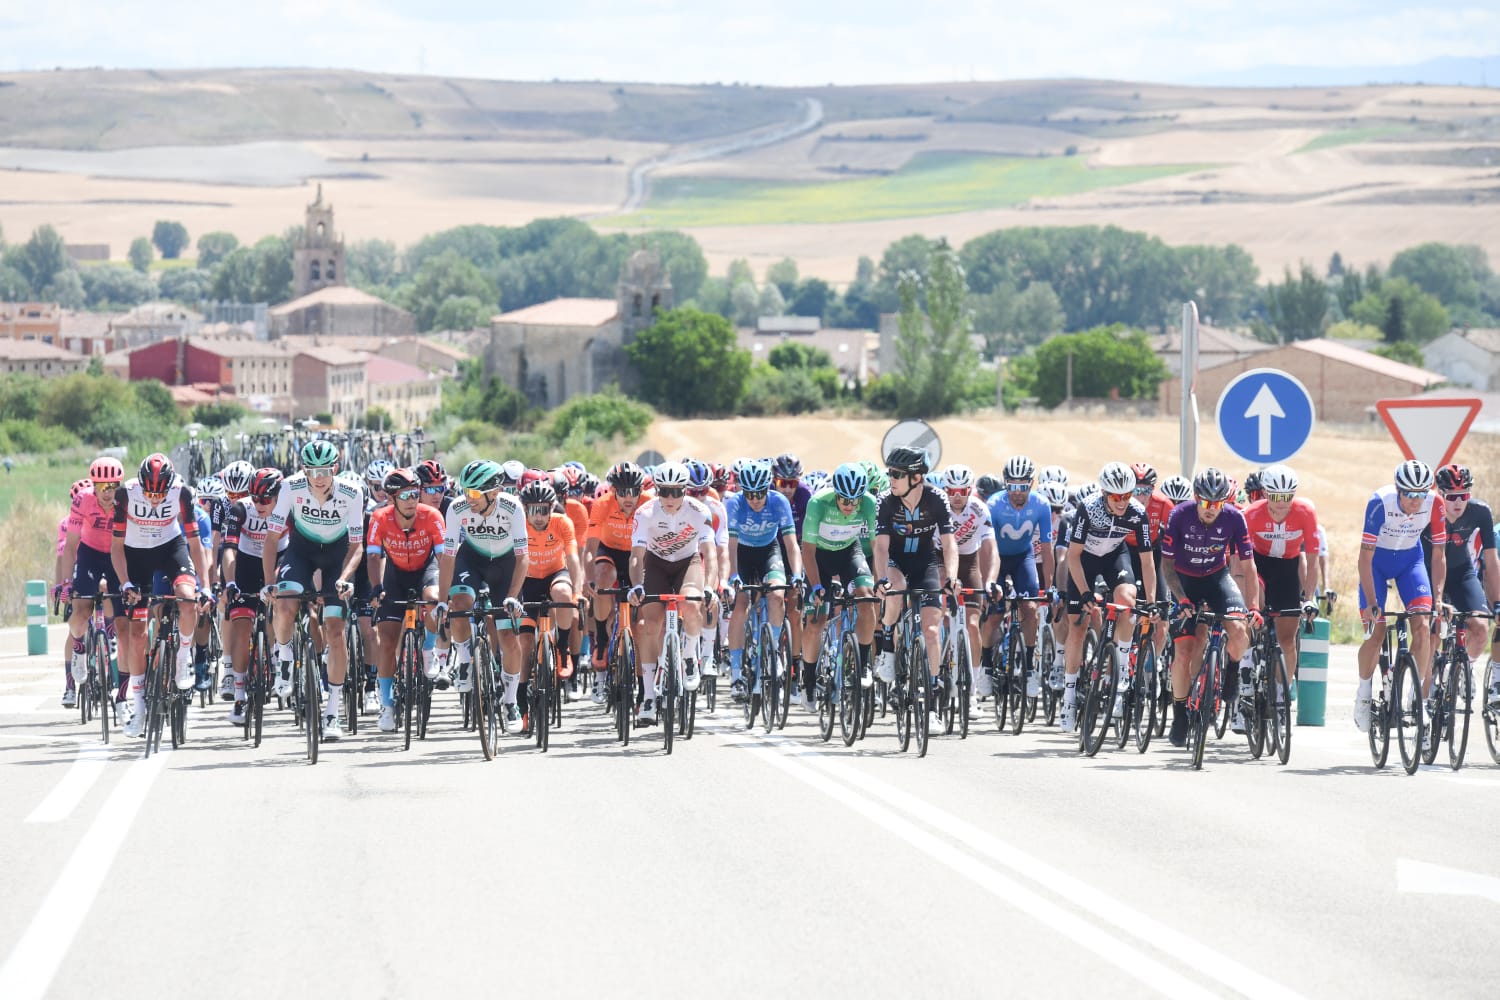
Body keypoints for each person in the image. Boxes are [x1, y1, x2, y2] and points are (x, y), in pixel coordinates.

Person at [261, 440, 364, 742]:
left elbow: (357, 546)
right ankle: (283, 657)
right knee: (284, 606)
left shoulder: (352, 493)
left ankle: (332, 712)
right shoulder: (291, 487)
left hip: (337, 556)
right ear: (304, 470)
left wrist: (346, 577)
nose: (318, 478)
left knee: (335, 630)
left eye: (324, 471)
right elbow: (271, 540)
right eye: (312, 471)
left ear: (335, 468)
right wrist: (269, 582)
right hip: (301, 553)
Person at [1159, 467, 1258, 744]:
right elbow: (1166, 566)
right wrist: (1181, 598)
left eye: (1217, 503)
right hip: (1183, 581)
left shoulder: (1235, 518)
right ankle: (1179, 714)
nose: (1210, 509)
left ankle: (1233, 671)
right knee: (1184, 651)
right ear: (1196, 498)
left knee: (1239, 631)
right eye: (1205, 503)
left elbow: (1249, 566)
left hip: (1217, 579)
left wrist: (1254, 606)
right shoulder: (1179, 515)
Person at [110, 454, 205, 738]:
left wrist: (207, 586)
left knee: (187, 598)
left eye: (159, 493)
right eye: (149, 492)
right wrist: (126, 583)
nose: (153, 499)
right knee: (137, 632)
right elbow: (116, 547)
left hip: (169, 547)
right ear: (140, 485)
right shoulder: (125, 494)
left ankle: (183, 656)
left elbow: (195, 542)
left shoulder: (181, 492)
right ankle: (138, 709)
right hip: (135, 553)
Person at [1060, 463, 1155, 735]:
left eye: (1128, 495)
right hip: (1085, 561)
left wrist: (1150, 601)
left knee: (1127, 600)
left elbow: (1147, 563)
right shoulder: (1088, 508)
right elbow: (1073, 557)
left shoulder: (1137, 512)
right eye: (1116, 497)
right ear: (1104, 493)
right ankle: (1068, 697)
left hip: (1115, 555)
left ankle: (1122, 672)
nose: (1123, 501)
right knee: (1077, 627)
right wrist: (1085, 592)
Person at [1356, 460, 1445, 741]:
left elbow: (1438, 555)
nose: (1416, 501)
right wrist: (1372, 602)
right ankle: (1364, 693)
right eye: (1410, 494)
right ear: (1398, 490)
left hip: (1410, 561)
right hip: (1377, 564)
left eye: (1422, 494)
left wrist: (1439, 599)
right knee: (1377, 631)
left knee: (1422, 624)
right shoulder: (1379, 502)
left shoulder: (1436, 503)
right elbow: (1364, 558)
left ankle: (1415, 697)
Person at [438, 460, 528, 732]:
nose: (469, 498)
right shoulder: (457, 508)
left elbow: (524, 558)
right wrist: (442, 601)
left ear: (494, 492)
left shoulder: (513, 508)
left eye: (475, 493)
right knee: (460, 604)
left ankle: (511, 701)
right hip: (472, 559)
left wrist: (512, 597)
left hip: (506, 563)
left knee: (508, 636)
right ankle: (465, 660)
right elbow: (448, 557)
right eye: (466, 491)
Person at [872, 446, 958, 727]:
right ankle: (887, 644)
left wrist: (953, 577)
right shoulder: (885, 501)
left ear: (916, 478)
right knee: (895, 588)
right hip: (895, 562)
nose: (891, 478)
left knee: (932, 631)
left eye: (897, 474)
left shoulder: (936, 499)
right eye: (890, 473)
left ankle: (932, 704)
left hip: (925, 564)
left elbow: (948, 543)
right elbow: (881, 548)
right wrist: (881, 579)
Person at [626, 462, 713, 724]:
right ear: (657, 490)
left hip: (688, 563)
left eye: (677, 492)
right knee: (649, 624)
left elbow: (711, 553)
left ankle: (688, 656)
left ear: (686, 491)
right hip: (656, 565)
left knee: (691, 605)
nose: (671, 498)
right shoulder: (645, 513)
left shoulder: (700, 511)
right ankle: (649, 695)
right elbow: (636, 556)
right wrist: (637, 585)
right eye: (665, 491)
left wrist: (710, 585)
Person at [367, 467, 449, 738]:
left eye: (416, 493)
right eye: (406, 495)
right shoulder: (379, 518)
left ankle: (428, 649)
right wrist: (377, 588)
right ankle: (388, 706)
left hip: (427, 569)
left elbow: (443, 557)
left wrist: (444, 593)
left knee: (433, 600)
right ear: (392, 498)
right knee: (387, 641)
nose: (413, 499)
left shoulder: (432, 516)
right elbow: (373, 558)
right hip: (396, 574)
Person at [1422, 463, 1500, 706]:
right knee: (1432, 633)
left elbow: (1491, 561)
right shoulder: (1426, 511)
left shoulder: (1480, 512)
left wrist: (1497, 603)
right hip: (1427, 572)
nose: (1458, 502)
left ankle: (1464, 669)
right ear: (1440, 494)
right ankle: (1423, 685)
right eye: (1452, 496)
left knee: (1480, 627)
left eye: (1464, 495)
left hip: (1461, 572)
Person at [800, 462, 879, 692]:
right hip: (820, 556)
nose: (849, 505)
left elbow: (876, 546)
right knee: (817, 619)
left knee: (866, 598)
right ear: (836, 493)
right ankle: (809, 678)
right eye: (844, 499)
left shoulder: (869, 504)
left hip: (849, 551)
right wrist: (816, 587)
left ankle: (863, 664)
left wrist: (879, 580)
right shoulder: (818, 503)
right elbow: (808, 551)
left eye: (854, 500)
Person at [1241, 463, 1320, 692]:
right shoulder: (1251, 514)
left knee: (1287, 640)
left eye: (1287, 496)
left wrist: (1309, 598)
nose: (1282, 502)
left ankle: (1280, 693)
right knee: (1255, 610)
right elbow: (1242, 562)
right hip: (1259, 566)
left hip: (1288, 568)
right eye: (1275, 496)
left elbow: (1312, 560)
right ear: (1265, 493)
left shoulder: (1305, 512)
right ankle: (1246, 678)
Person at [982, 456, 1053, 701]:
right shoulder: (994, 504)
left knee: (1030, 609)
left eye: (1023, 486)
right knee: (995, 613)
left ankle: (1031, 670)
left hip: (1024, 557)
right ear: (1005, 484)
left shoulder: (1041, 505)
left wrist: (1051, 586)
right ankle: (986, 666)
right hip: (997, 558)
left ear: (1031, 484)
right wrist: (989, 580)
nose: (1018, 492)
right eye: (1012, 486)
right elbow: (987, 546)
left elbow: (1046, 548)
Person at [220, 468, 288, 724]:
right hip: (246, 562)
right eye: (255, 498)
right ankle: (239, 695)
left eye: (265, 499)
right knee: (241, 626)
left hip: (279, 559)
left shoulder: (287, 508)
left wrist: (277, 581)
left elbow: (294, 551)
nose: (259, 504)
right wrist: (231, 583)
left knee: (280, 608)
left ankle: (276, 656)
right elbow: (229, 551)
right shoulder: (240, 509)